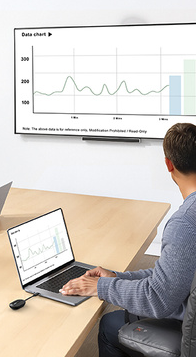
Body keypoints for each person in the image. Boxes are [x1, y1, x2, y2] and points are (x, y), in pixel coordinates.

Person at [60, 122, 196, 357]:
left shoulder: (185, 223)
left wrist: (100, 287)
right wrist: (118, 277)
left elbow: (158, 299)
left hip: (186, 327)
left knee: (110, 325)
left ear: (168, 164)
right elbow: (174, 273)